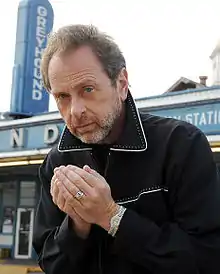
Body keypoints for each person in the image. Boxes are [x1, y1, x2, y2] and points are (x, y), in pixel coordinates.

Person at [33, 24, 220, 274]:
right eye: (62, 97)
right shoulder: (57, 162)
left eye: (87, 89)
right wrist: (77, 223)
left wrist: (111, 216)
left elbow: (207, 258)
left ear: (121, 83)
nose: (75, 110)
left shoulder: (180, 144)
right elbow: (51, 264)